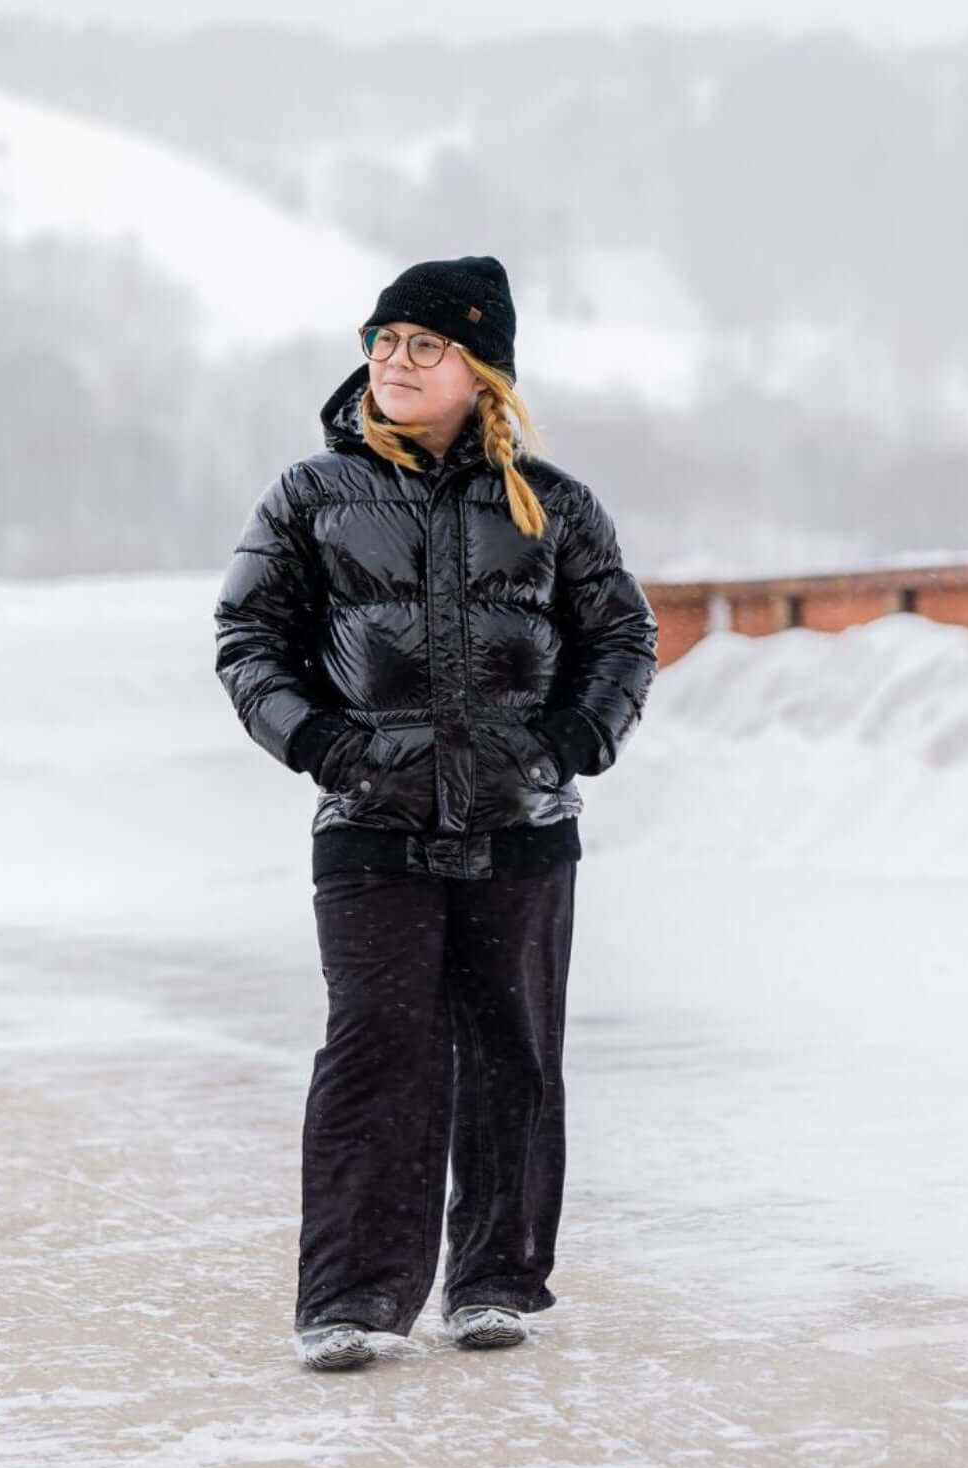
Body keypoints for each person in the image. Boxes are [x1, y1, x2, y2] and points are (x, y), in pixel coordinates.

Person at [213, 254, 659, 1371]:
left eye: (426, 344)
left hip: (521, 826)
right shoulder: (310, 498)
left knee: (512, 1051)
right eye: (385, 341)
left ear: (483, 373)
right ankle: (353, 1300)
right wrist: (321, 744)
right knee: (377, 1050)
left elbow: (623, 640)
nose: (396, 361)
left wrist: (570, 741)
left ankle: (495, 1280)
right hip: (371, 825)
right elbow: (249, 642)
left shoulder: (554, 505)